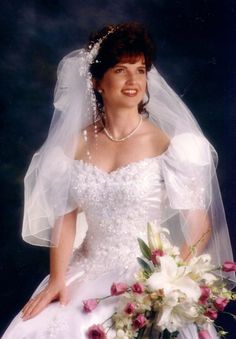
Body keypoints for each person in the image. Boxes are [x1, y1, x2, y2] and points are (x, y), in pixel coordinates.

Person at [2, 22, 235, 338]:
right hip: (84, 269)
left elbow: (199, 225)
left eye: (140, 70)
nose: (133, 80)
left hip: (145, 278)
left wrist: (167, 284)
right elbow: (65, 221)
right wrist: (57, 280)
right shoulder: (74, 145)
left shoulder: (171, 146)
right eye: (120, 70)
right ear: (97, 81)